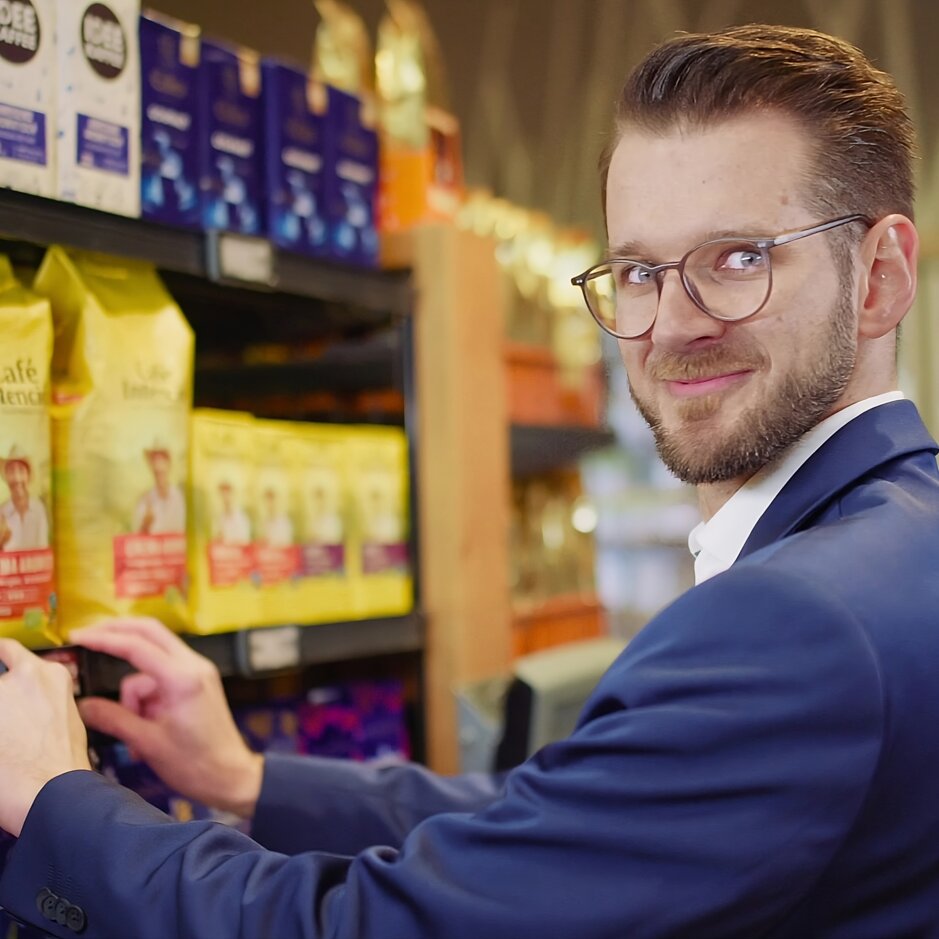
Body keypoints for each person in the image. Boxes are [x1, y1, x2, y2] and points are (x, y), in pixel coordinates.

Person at [1, 23, 938, 937]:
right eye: (638, 270)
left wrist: (57, 802)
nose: (671, 322)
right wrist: (248, 776)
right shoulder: (902, 536)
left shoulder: (792, 621)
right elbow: (564, 826)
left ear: (879, 277)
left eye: (739, 259)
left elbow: (390, 923)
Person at [0, 447, 49, 552]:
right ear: (6, 477)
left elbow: (43, 550)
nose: (17, 478)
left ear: (28, 476)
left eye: (21, 471)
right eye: (11, 471)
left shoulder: (39, 509)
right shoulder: (2, 512)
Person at [133, 442, 186, 536]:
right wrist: (145, 525)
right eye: (156, 473)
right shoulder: (145, 501)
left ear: (169, 465)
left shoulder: (180, 498)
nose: (158, 466)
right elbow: (136, 540)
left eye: (162, 472)